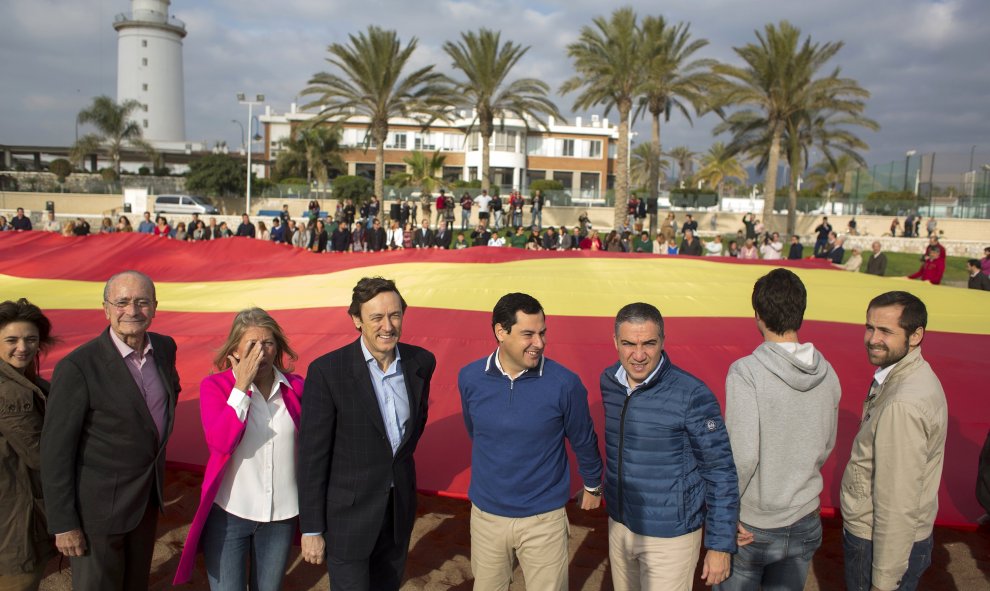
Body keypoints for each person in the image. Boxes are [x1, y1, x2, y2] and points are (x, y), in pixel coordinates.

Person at [41, 271, 180, 590]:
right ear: (106, 308)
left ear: (155, 307)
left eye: (142, 302)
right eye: (122, 302)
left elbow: (167, 396)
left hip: (146, 502)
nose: (132, 311)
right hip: (96, 514)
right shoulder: (77, 367)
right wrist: (64, 524)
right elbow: (55, 453)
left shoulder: (165, 348)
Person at [297, 277, 436, 590]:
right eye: (376, 317)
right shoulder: (327, 372)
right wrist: (312, 528)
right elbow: (312, 456)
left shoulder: (421, 362)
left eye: (395, 315)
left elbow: (412, 430)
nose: (387, 326)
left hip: (398, 511)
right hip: (348, 517)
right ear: (357, 320)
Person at [459, 293, 602, 591]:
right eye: (528, 334)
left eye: (542, 332)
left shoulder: (565, 383)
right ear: (501, 332)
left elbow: (583, 438)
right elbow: (477, 432)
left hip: (544, 520)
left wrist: (592, 484)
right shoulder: (470, 377)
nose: (539, 342)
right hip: (486, 517)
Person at [601, 302, 738, 590]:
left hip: (670, 539)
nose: (638, 355)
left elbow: (721, 471)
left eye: (648, 343)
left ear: (663, 341)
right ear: (615, 342)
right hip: (620, 527)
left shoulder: (693, 395)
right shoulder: (609, 382)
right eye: (628, 343)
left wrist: (720, 546)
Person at [720, 269, 840, 591]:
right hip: (806, 515)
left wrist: (725, 513)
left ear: (757, 315)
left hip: (753, 525)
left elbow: (742, 455)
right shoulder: (828, 373)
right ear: (801, 311)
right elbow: (827, 443)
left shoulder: (746, 372)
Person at [174, 309, 304, 590]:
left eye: (268, 343)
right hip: (229, 515)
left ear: (278, 347)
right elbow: (220, 443)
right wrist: (241, 386)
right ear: (235, 350)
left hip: (280, 519)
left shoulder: (297, 388)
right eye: (252, 344)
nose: (261, 352)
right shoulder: (215, 387)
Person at [841, 291, 947, 591]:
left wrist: (884, 582)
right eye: (870, 327)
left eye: (886, 331)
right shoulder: (908, 375)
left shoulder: (903, 404)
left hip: (877, 541)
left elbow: (897, 501)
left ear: (916, 336)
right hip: (889, 536)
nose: (873, 338)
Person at [0, 299, 57, 591]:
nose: (22, 347)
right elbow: (40, 456)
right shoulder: (11, 390)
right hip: (15, 521)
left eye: (30, 339)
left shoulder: (25, 381)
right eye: (11, 340)